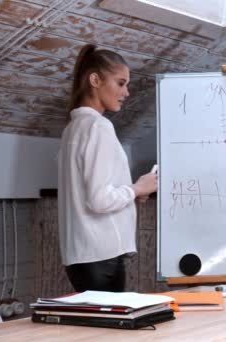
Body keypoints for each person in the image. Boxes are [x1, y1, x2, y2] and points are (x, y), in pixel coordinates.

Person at [58, 44, 158, 292]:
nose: (127, 92)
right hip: (101, 255)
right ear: (95, 80)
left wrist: (133, 191)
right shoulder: (98, 127)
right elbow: (99, 200)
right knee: (112, 331)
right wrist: (136, 189)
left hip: (81, 255)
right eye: (121, 83)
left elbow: (90, 194)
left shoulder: (72, 128)